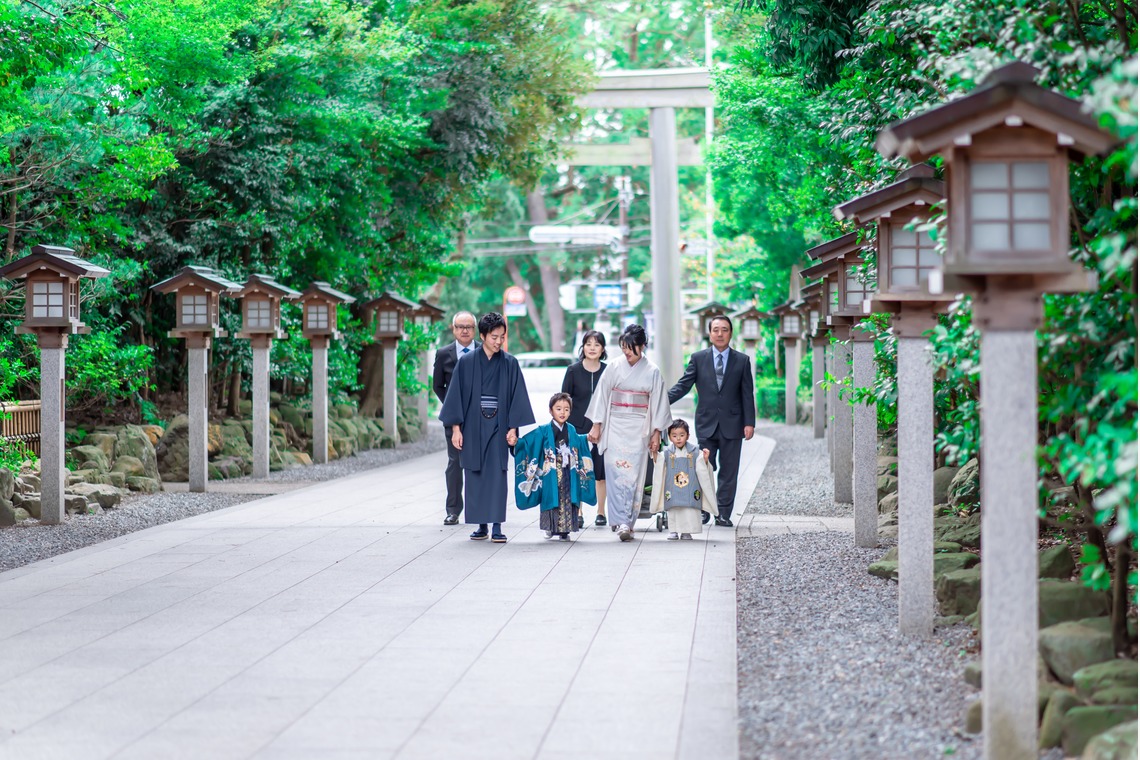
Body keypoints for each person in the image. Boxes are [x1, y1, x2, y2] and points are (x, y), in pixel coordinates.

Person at [439, 312, 535, 543]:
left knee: (497, 475)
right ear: (482, 336)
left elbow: (516, 397)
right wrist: (456, 429)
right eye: (494, 337)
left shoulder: (510, 363)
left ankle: (497, 525)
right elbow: (456, 397)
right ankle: (481, 525)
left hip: (499, 425)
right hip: (472, 423)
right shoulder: (467, 362)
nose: (499, 341)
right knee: (475, 473)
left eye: (502, 337)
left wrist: (513, 428)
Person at [667, 315, 756, 527]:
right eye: (716, 329)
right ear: (710, 333)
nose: (719, 334)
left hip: (733, 425)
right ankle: (704, 509)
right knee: (703, 468)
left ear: (730, 333)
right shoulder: (698, 358)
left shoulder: (742, 360)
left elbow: (747, 393)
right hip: (706, 423)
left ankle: (723, 514)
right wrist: (662, 400)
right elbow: (684, 385)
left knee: (729, 471)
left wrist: (749, 422)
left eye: (724, 329)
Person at [586, 324, 671, 542]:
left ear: (643, 345)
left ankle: (627, 522)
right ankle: (619, 520)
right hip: (614, 425)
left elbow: (659, 403)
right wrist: (597, 424)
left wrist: (656, 433)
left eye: (632, 348)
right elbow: (602, 396)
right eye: (624, 347)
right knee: (615, 474)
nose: (627, 352)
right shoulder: (614, 367)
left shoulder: (652, 370)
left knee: (633, 476)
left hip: (639, 428)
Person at [514, 393, 597, 540]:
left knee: (567, 498)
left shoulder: (571, 429)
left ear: (570, 411)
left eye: (566, 409)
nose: (562, 412)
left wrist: (587, 438)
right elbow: (529, 442)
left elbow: (578, 441)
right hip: (550, 471)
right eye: (558, 409)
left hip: (567, 471)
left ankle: (565, 530)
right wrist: (518, 442)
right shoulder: (543, 430)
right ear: (550, 410)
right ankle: (549, 528)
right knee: (550, 497)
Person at [432, 311, 479, 526]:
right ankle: (453, 510)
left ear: (474, 329)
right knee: (455, 463)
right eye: (460, 326)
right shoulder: (444, 353)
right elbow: (437, 385)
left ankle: (478, 508)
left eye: (469, 326)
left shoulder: (483, 350)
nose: (465, 330)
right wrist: (452, 407)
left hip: (480, 418)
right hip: (454, 419)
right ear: (453, 329)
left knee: (479, 463)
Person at [560, 330, 608, 526]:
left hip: (603, 428)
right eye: (588, 344)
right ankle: (578, 512)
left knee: (600, 471)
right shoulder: (573, 370)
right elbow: (563, 399)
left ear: (603, 349)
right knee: (578, 469)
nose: (592, 348)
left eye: (596, 345)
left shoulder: (608, 370)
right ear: (583, 347)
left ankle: (601, 512)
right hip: (577, 428)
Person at [649, 419, 717, 540]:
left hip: (690, 488)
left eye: (682, 435)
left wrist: (705, 459)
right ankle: (673, 530)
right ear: (670, 437)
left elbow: (702, 468)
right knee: (674, 508)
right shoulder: (667, 452)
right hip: (672, 488)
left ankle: (687, 531)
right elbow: (659, 463)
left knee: (689, 509)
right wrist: (654, 453)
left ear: (688, 436)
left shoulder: (695, 451)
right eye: (674, 436)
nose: (678, 439)